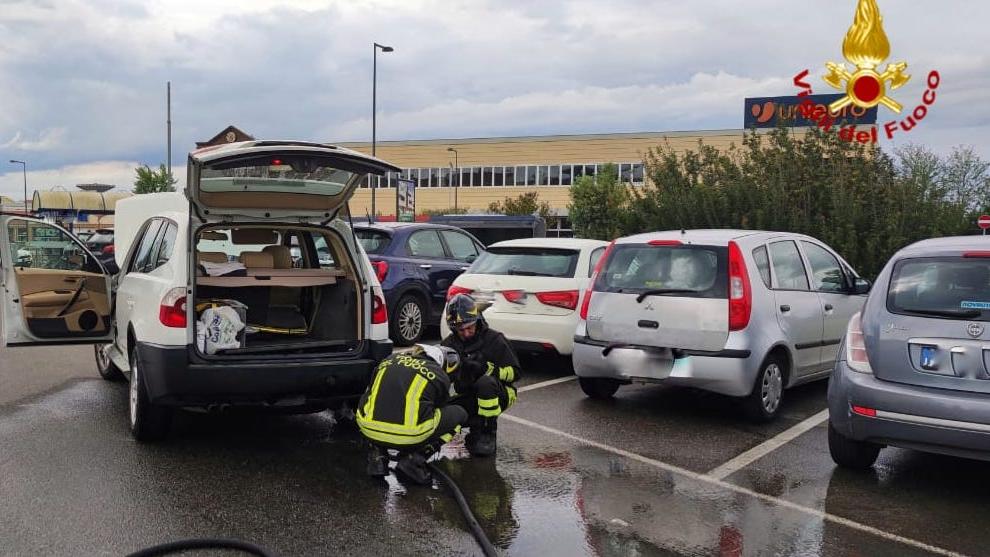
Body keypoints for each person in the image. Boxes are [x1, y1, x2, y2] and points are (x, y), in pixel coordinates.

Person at [356, 344, 467, 485]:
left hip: (368, 428)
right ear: (442, 362)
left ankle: (377, 457)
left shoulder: (388, 360)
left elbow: (371, 390)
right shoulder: (439, 375)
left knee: (375, 403)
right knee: (460, 414)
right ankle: (415, 459)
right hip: (411, 435)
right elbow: (439, 406)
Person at [441, 293, 521, 457]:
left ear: (477, 320)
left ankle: (487, 432)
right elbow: (440, 377)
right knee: (444, 409)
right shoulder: (449, 345)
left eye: (470, 327)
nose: (466, 333)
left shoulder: (494, 339)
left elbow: (516, 373)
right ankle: (472, 431)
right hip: (467, 393)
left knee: (485, 383)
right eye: (461, 330)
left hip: (499, 393)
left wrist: (488, 369)